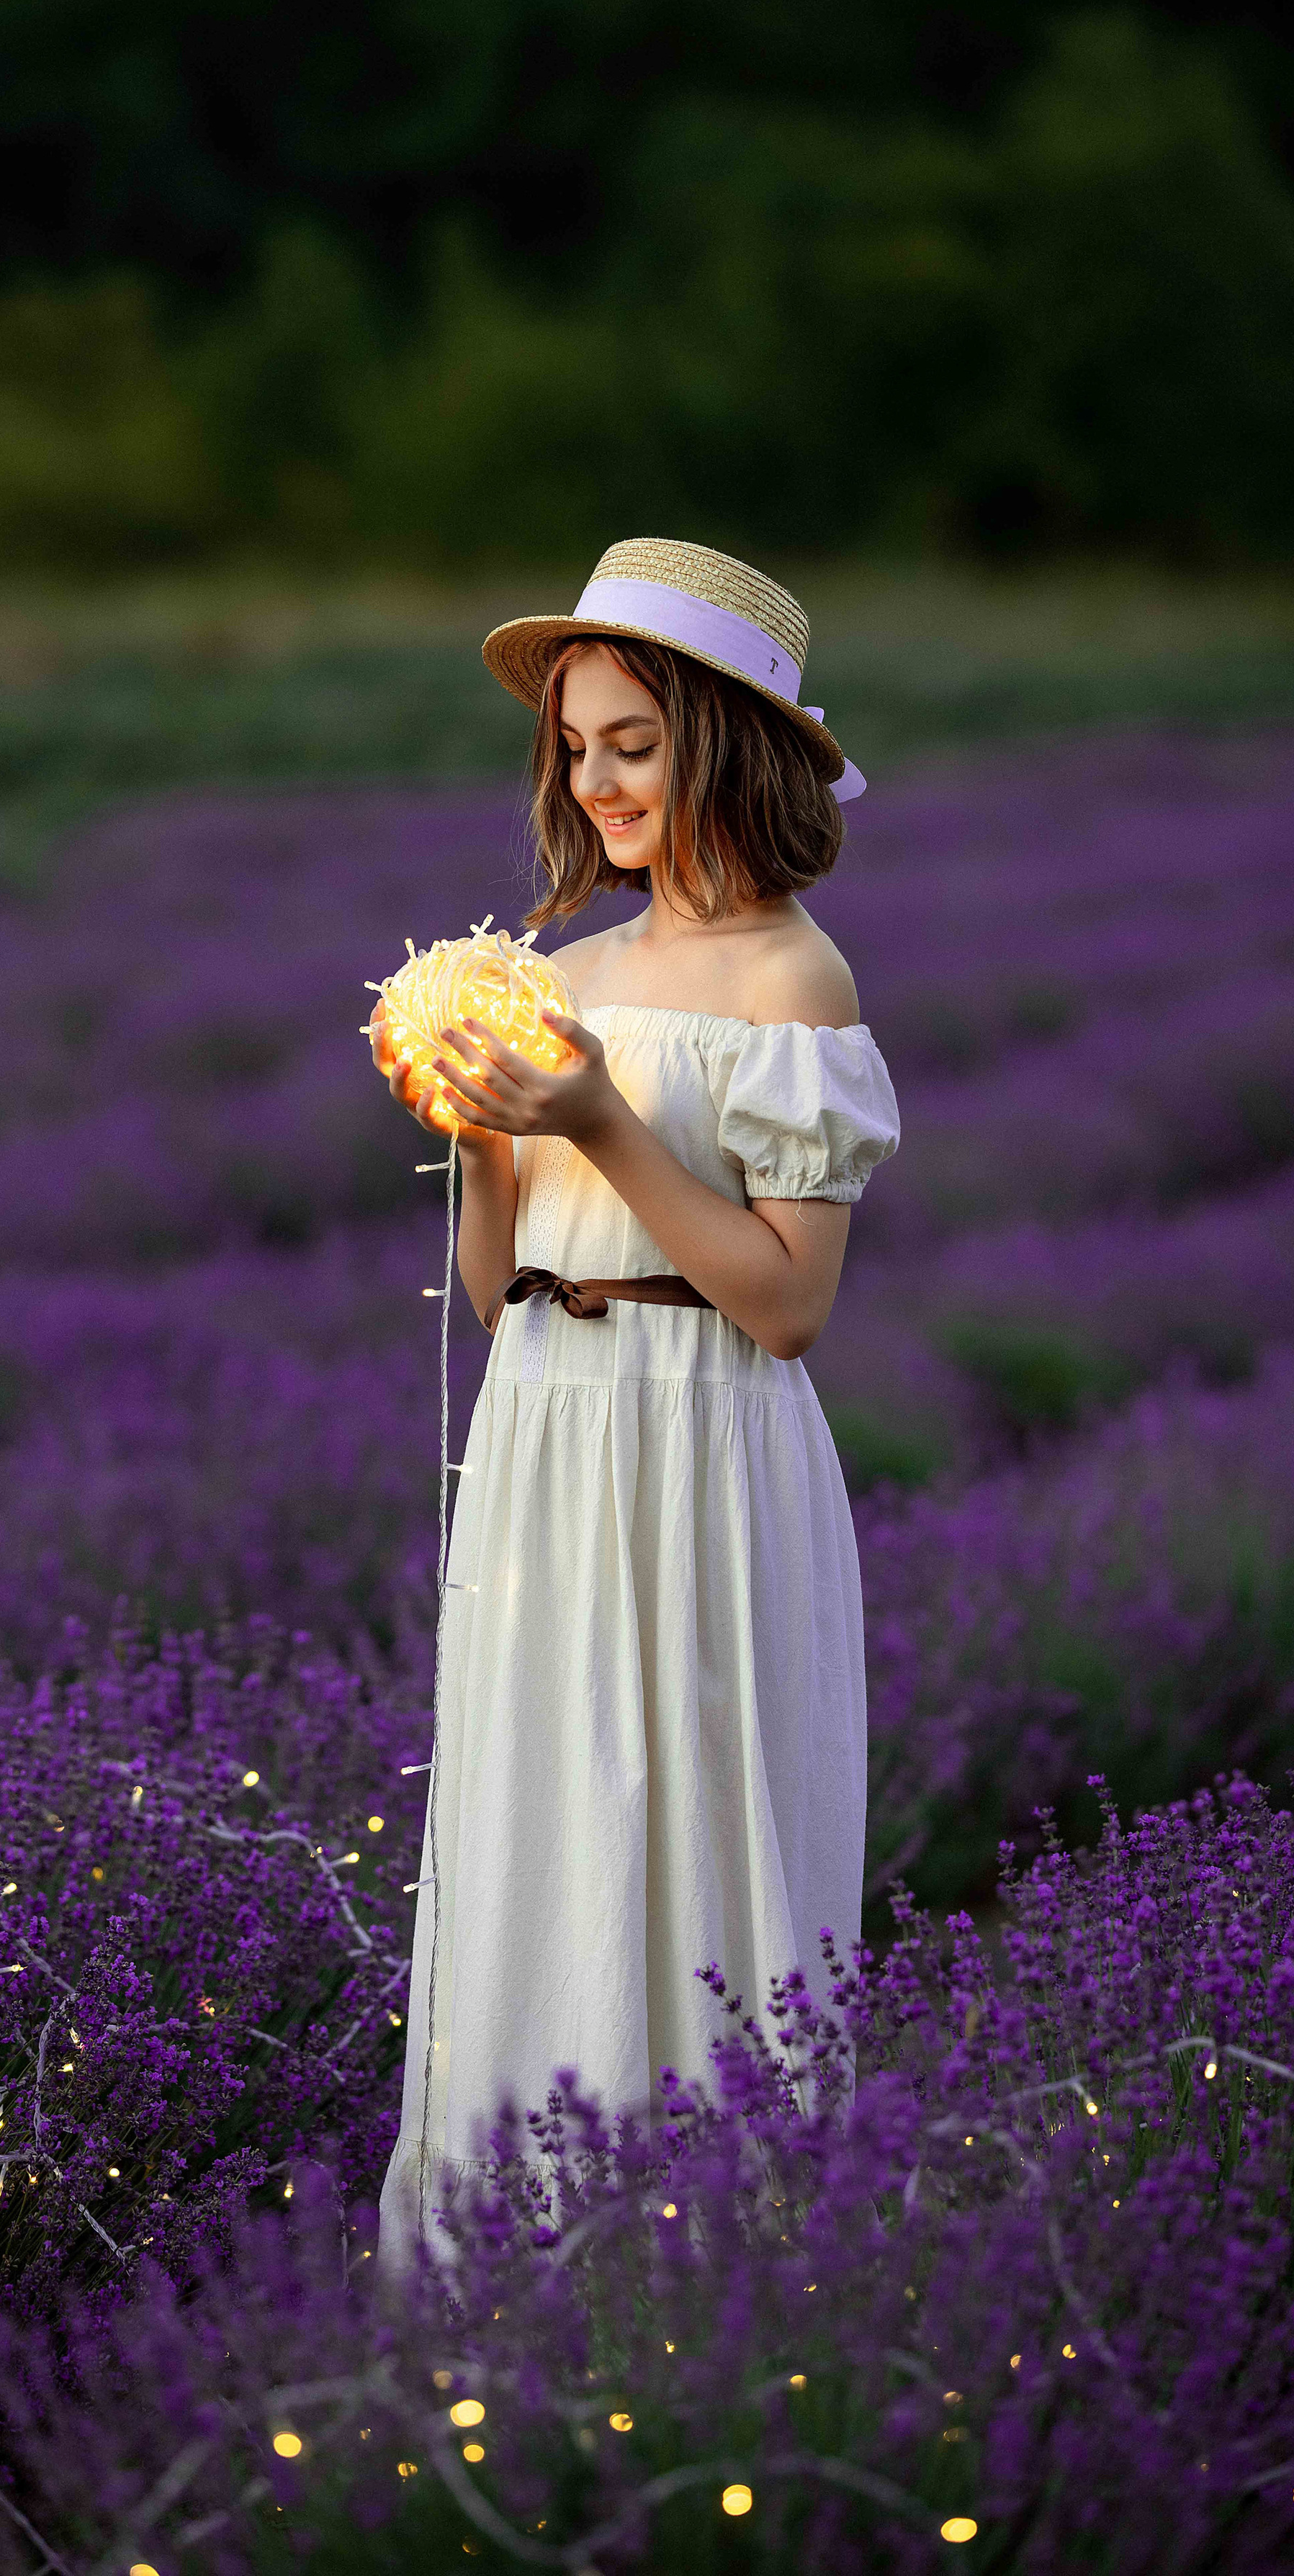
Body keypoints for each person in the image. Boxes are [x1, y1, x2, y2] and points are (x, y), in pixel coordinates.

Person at [371, 537, 899, 2265]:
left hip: (700, 1437)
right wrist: (480, 1144)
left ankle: (706, 2268)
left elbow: (786, 1305)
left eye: (631, 745)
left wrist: (599, 1122)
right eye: (574, 747)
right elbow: (492, 1282)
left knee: (692, 1830)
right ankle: (513, 2265)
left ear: (724, 750)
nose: (592, 781)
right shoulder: (562, 975)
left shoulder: (787, 984)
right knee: (546, 1827)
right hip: (543, 1435)